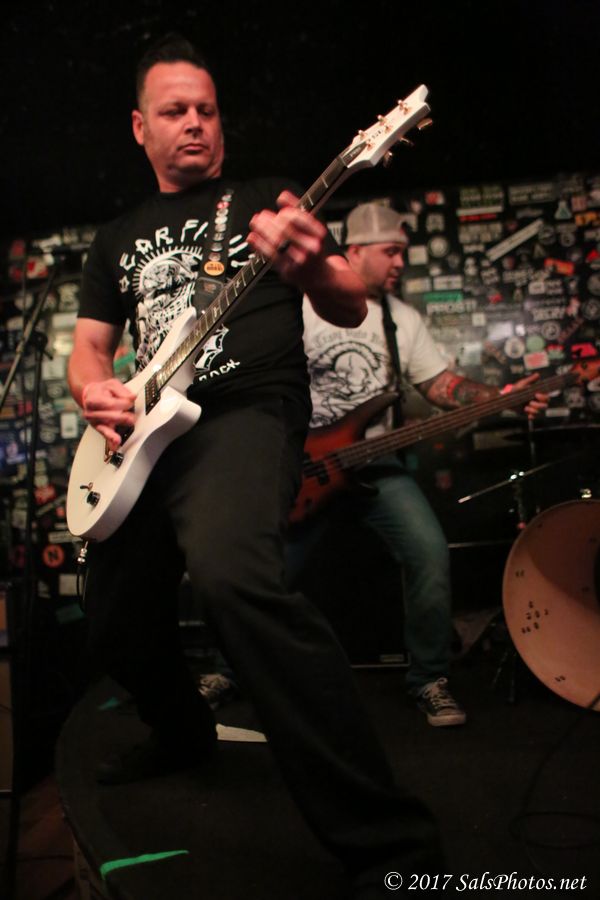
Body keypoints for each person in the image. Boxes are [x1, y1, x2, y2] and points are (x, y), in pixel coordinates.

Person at [67, 35, 442, 896]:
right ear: (140, 126)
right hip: (145, 430)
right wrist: (95, 391)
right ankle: (182, 732)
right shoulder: (116, 237)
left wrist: (312, 267)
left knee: (233, 578)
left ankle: (391, 845)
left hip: (245, 411)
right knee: (112, 615)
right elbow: (89, 349)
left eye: (206, 109)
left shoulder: (267, 198)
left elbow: (348, 300)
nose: (195, 123)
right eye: (174, 111)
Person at [287, 201, 548, 727]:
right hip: (302, 470)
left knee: (429, 553)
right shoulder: (299, 308)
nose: (400, 263)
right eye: (391, 252)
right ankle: (229, 669)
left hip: (376, 465)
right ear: (354, 251)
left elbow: (440, 385)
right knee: (263, 567)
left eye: (403, 253)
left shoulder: (400, 319)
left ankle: (429, 678)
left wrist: (499, 398)